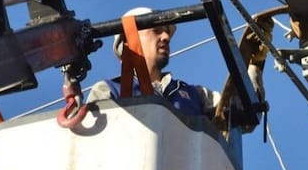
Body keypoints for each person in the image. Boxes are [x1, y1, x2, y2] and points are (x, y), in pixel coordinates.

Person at [86, 7, 219, 117]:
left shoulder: (198, 95)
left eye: (167, 32)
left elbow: (229, 113)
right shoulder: (108, 90)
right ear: (129, 41)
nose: (166, 37)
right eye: (156, 31)